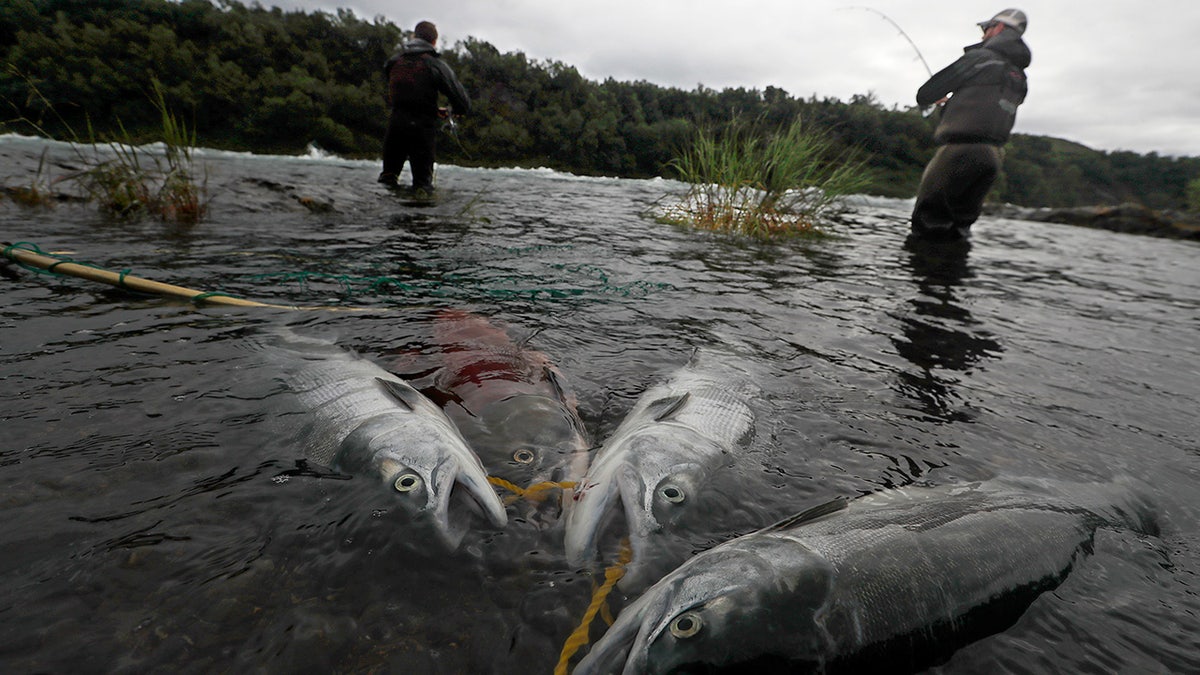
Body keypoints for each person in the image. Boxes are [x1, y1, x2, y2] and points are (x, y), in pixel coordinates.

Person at [910, 9, 1031, 241]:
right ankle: (953, 276)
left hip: (959, 152)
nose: (984, 34)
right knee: (959, 228)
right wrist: (953, 105)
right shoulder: (1020, 77)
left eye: (987, 28)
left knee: (928, 224)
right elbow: (986, 107)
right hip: (993, 158)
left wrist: (940, 101)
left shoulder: (978, 59)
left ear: (999, 28)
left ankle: (922, 277)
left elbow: (925, 93)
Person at [378, 21, 471, 192]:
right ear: (434, 42)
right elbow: (462, 102)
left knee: (387, 179)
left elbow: (406, 93)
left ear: (414, 37)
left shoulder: (394, 62)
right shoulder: (435, 64)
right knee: (422, 186)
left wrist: (432, 110)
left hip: (395, 125)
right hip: (421, 130)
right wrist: (455, 112)